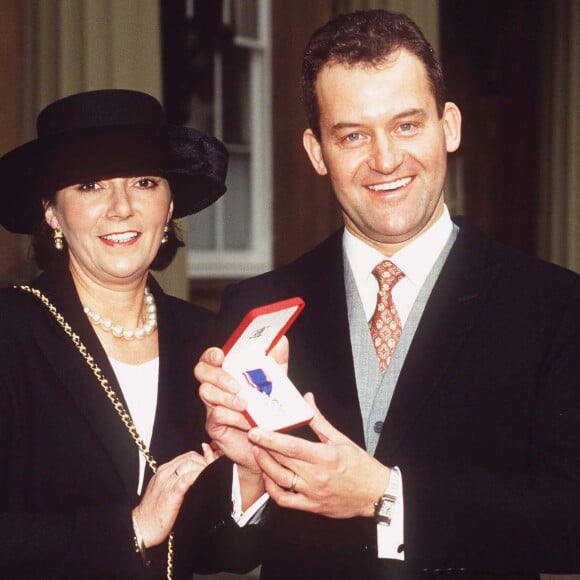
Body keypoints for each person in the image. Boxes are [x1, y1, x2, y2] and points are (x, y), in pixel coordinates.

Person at [194, 9, 580, 580]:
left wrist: (387, 494)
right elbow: (219, 554)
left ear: (448, 126)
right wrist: (246, 475)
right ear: (317, 152)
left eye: (406, 125)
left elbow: (569, 526)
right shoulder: (256, 309)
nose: (385, 160)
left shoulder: (554, 306)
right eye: (352, 135)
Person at [0, 89, 257, 579]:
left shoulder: (205, 341)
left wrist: (248, 473)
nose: (121, 207)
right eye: (91, 185)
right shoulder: (10, 333)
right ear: (52, 213)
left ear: (169, 206)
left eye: (143, 182)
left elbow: (222, 556)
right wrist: (130, 530)